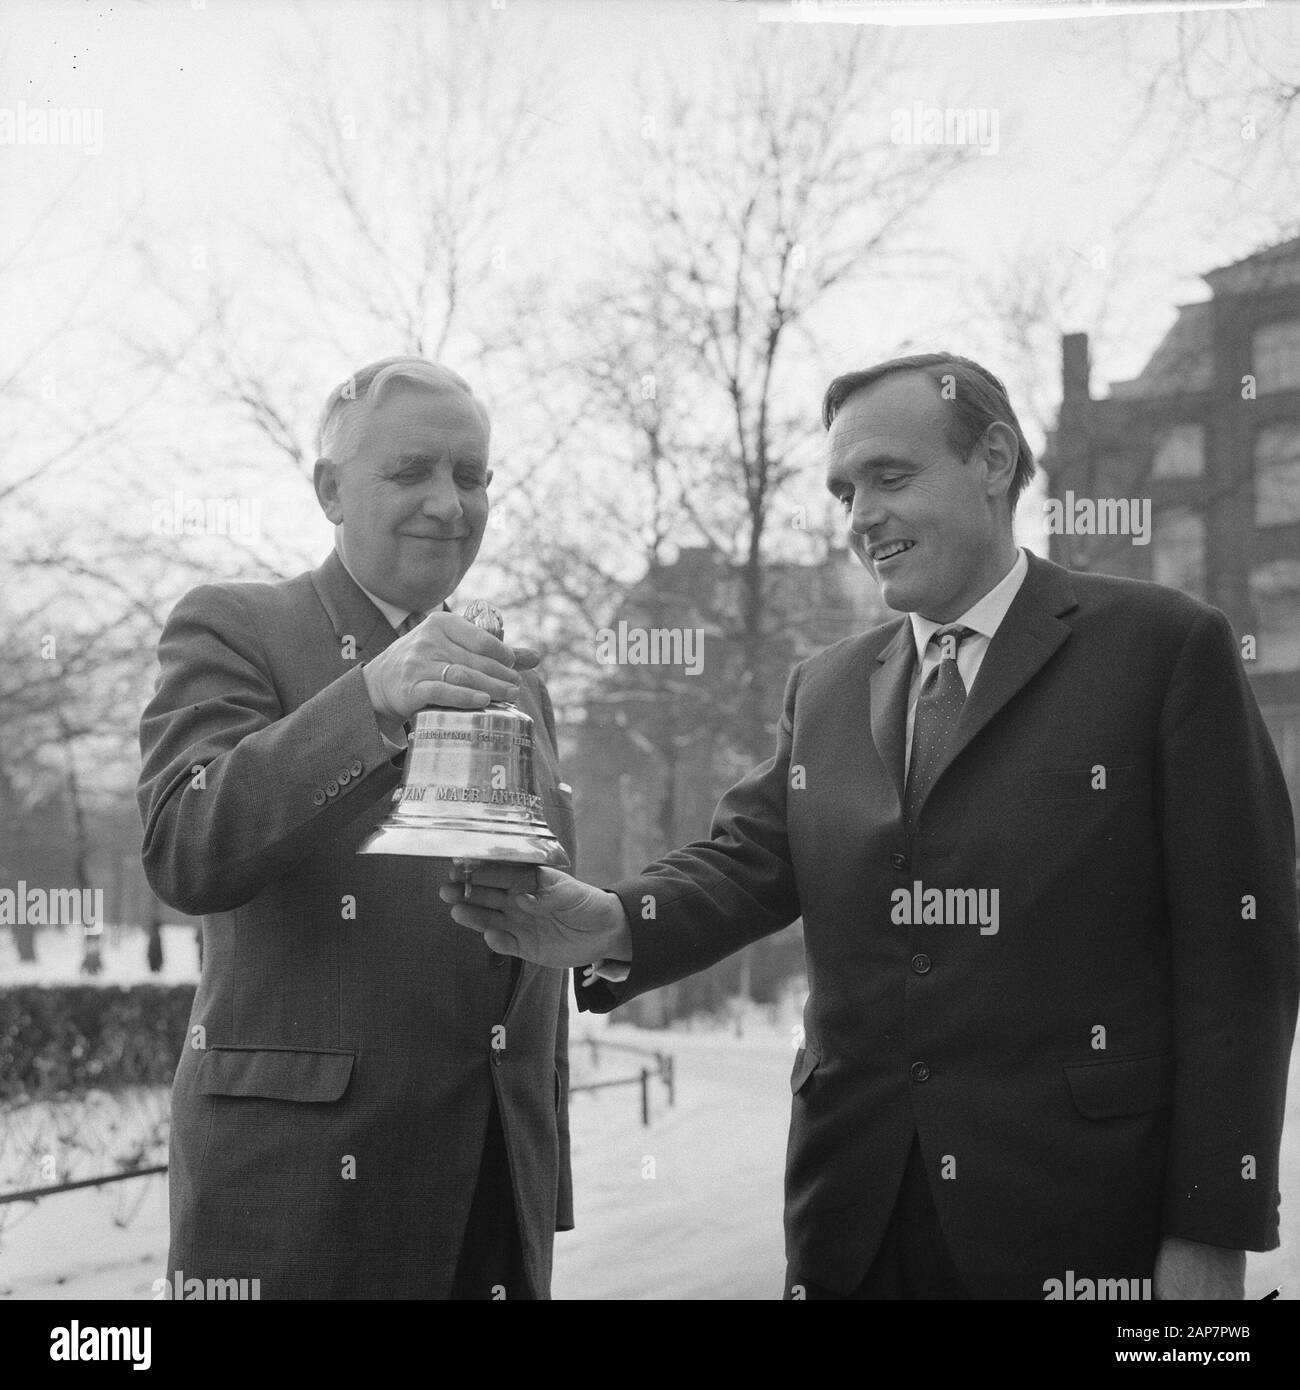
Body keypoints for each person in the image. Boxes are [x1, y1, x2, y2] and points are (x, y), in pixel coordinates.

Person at [444, 353, 1299, 1300]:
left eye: (890, 477)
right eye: (845, 490)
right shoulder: (828, 686)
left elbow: (1241, 962)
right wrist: (608, 919)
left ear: (993, 458)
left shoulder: (1163, 648)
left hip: (1088, 1228)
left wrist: (1211, 1229)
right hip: (853, 1222)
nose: (860, 518)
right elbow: (745, 864)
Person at [138, 357, 576, 1299]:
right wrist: (370, 698)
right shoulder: (236, 625)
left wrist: (541, 1169)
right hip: (297, 1199)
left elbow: (521, 948)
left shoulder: (518, 675)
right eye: (410, 471)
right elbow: (183, 845)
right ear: (329, 490)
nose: (447, 503)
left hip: (496, 1196)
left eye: (471, 476)